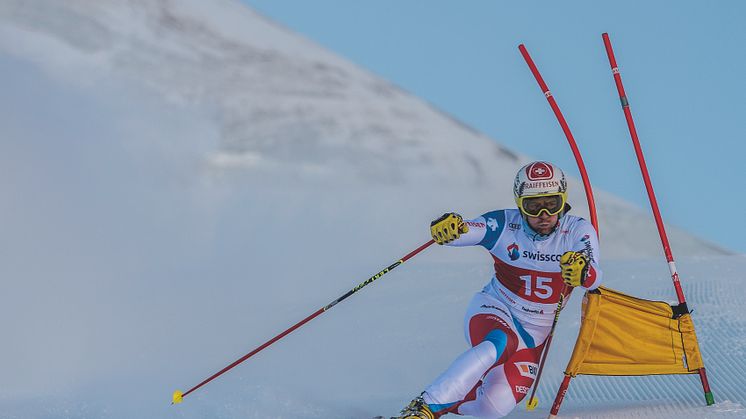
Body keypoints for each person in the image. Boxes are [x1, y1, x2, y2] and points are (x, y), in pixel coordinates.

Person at [395, 161, 602, 419]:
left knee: (492, 407)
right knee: (500, 342)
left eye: (552, 203)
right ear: (519, 204)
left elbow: (593, 274)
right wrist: (448, 228)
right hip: (496, 308)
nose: (544, 214)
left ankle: (448, 403)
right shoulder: (505, 224)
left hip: (534, 336)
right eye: (533, 206)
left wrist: (582, 272)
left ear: (563, 201)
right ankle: (424, 408)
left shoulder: (577, 230)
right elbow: (467, 230)